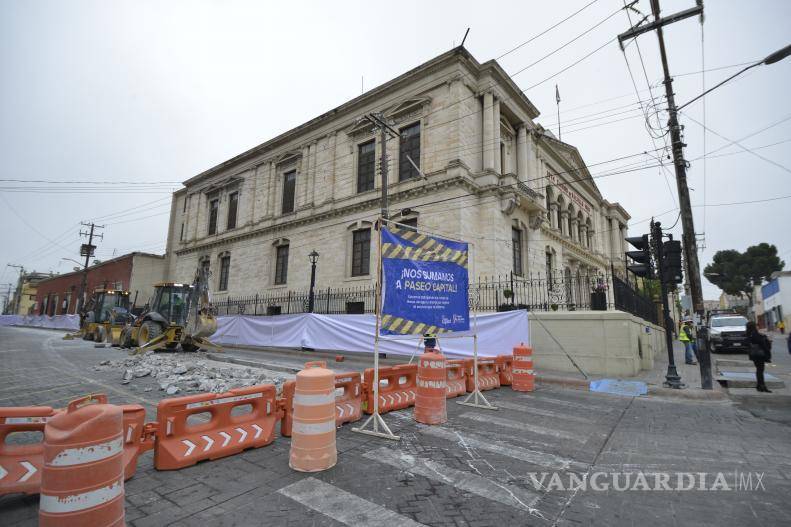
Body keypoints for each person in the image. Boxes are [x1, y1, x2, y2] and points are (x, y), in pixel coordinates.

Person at [746, 321, 772, 393]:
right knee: (760, 370)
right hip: (759, 355)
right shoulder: (755, 334)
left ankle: (759, 385)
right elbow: (762, 343)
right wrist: (767, 340)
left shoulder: (749, 334)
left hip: (754, 355)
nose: (758, 327)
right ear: (753, 327)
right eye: (756, 326)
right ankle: (762, 386)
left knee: (759, 370)